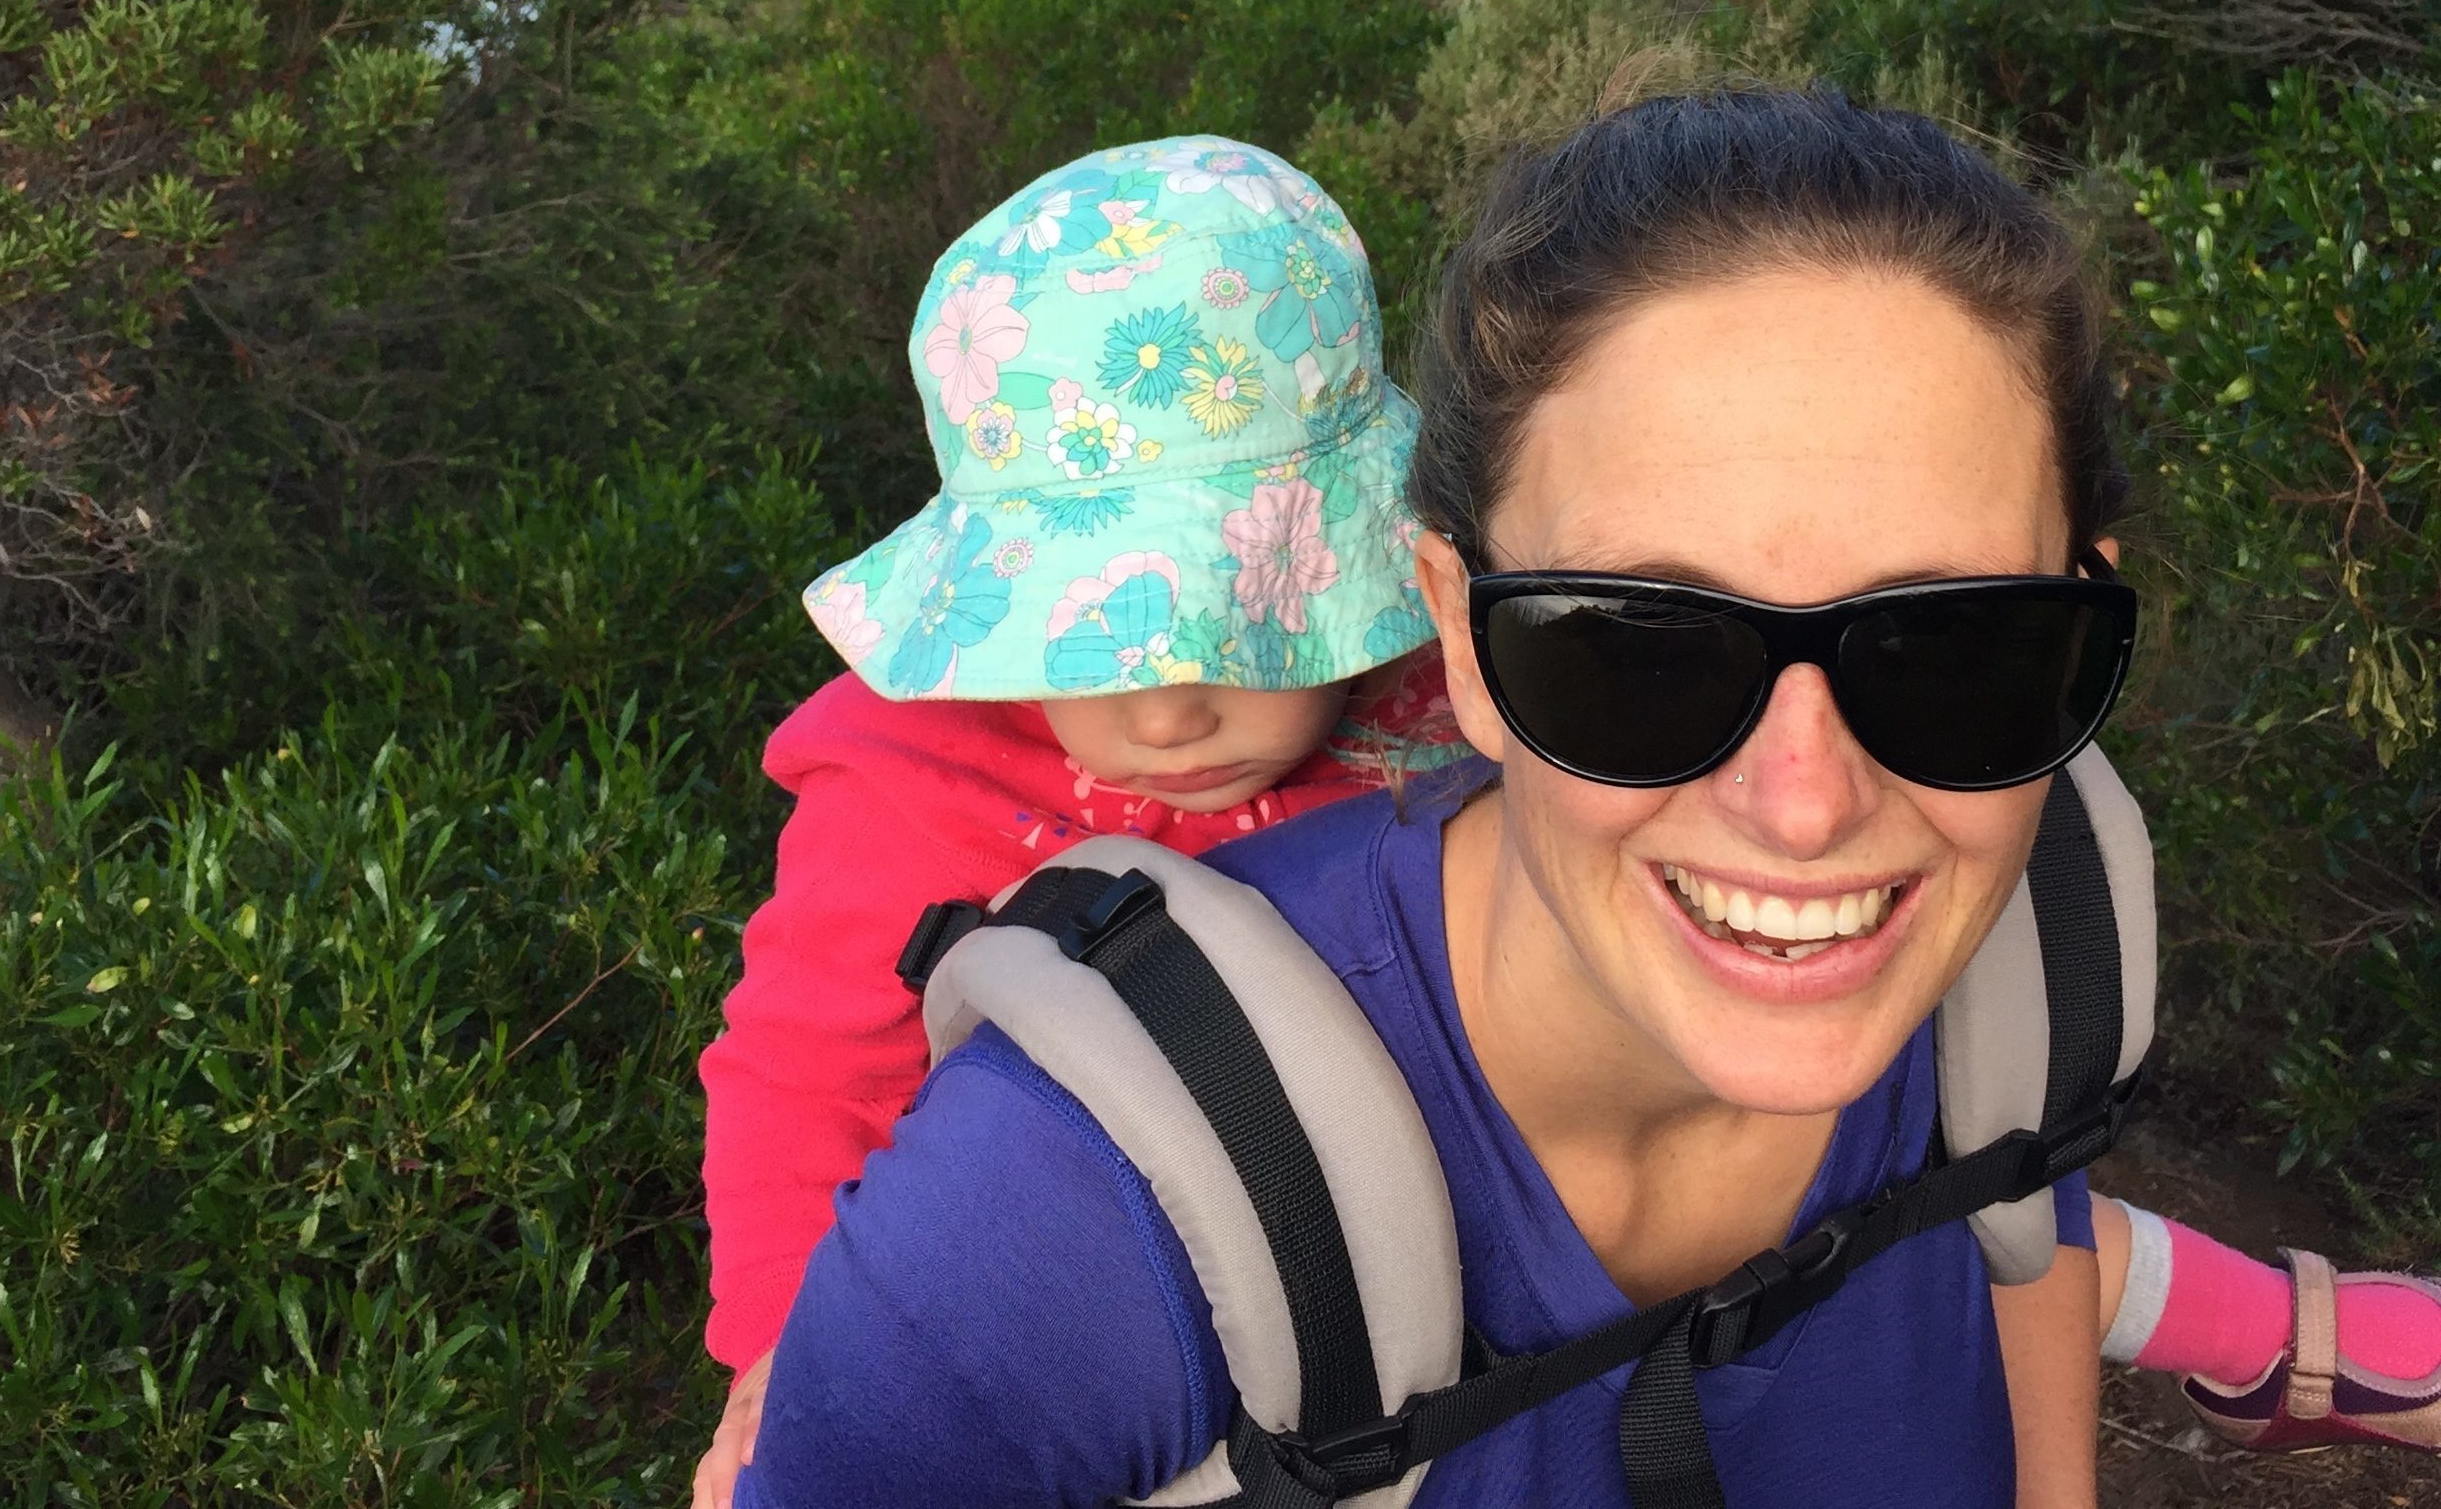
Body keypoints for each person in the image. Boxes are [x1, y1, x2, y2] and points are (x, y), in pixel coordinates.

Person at [721, 90, 2440, 1508]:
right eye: (1635, 653)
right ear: (1460, 637)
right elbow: (810, 1079)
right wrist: (777, 1365)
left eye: (1956, 646)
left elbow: (2020, 1198)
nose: (1804, 802)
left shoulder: (2039, 927)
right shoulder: (1033, 1231)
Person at [690, 137, 1463, 1509]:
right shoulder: (909, 788)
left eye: (1236, 630)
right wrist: (789, 1356)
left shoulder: (1455, 713)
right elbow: (806, 1078)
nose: (1164, 718)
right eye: (1092, 636)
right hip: (1077, 1366)